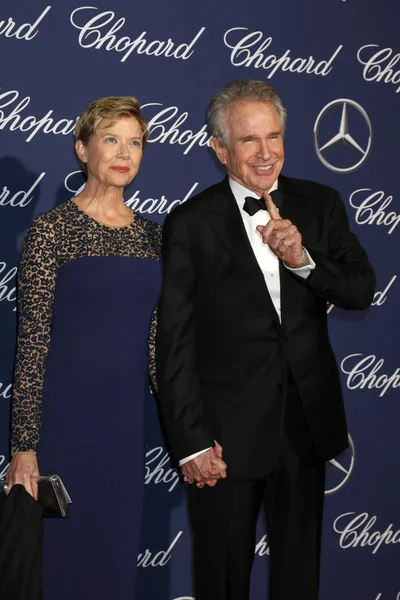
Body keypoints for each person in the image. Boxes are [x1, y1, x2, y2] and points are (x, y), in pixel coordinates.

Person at [156, 80, 376, 600]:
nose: (265, 153)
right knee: (223, 581)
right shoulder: (190, 223)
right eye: (249, 140)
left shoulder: (320, 203)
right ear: (219, 149)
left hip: (304, 430)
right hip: (224, 441)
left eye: (273, 136)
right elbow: (175, 341)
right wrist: (190, 443)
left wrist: (303, 261)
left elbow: (360, 289)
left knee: (299, 582)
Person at [6, 96, 161, 600]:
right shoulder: (51, 232)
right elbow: (31, 344)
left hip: (125, 435)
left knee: (114, 567)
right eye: (111, 140)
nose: (124, 153)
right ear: (82, 149)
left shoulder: (154, 238)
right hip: (65, 432)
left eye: (134, 142)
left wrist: (195, 430)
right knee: (61, 568)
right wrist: (24, 448)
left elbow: (160, 350)